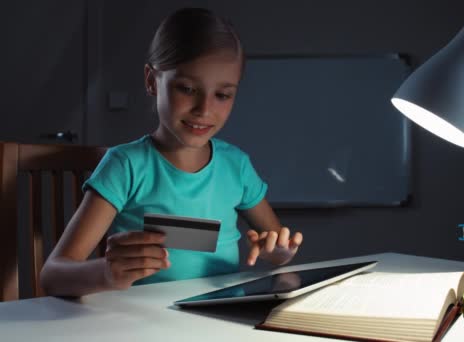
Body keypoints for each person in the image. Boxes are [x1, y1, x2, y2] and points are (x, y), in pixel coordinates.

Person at [40, 7, 303, 296]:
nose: (204, 110)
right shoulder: (125, 165)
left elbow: (276, 246)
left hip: (219, 323)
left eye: (222, 95)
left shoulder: (236, 166)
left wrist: (280, 255)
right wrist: (106, 273)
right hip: (141, 325)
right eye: (187, 89)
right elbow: (54, 275)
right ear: (152, 81)